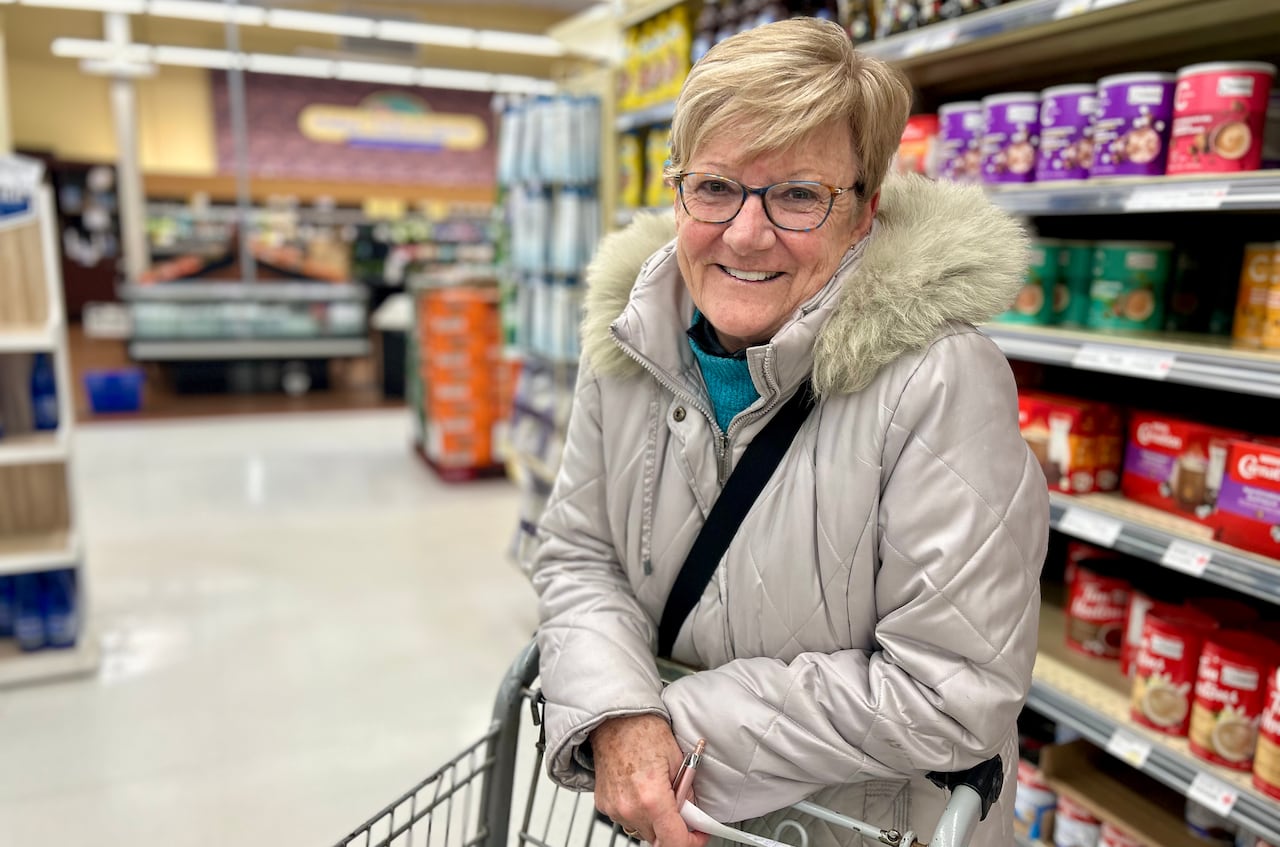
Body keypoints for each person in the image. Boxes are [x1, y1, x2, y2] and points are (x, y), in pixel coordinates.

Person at [530, 16, 1049, 847]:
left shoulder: (941, 381)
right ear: (676, 192)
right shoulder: (630, 346)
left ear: (863, 213)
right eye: (715, 186)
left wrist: (663, 727)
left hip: (858, 830)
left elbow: (953, 689)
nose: (744, 232)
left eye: (799, 195)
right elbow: (578, 553)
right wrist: (615, 708)